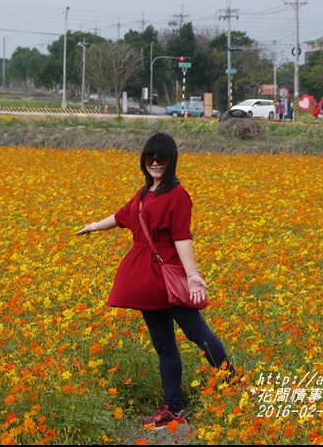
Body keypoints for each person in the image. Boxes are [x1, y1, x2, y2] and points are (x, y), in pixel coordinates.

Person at [75, 132, 236, 429]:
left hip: (170, 274)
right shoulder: (143, 193)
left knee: (198, 333)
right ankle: (173, 408)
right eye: (149, 158)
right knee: (164, 346)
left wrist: (192, 275)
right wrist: (94, 226)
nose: (155, 163)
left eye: (161, 158)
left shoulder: (177, 194)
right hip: (147, 280)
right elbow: (121, 216)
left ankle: (234, 385)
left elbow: (182, 236)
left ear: (171, 159)